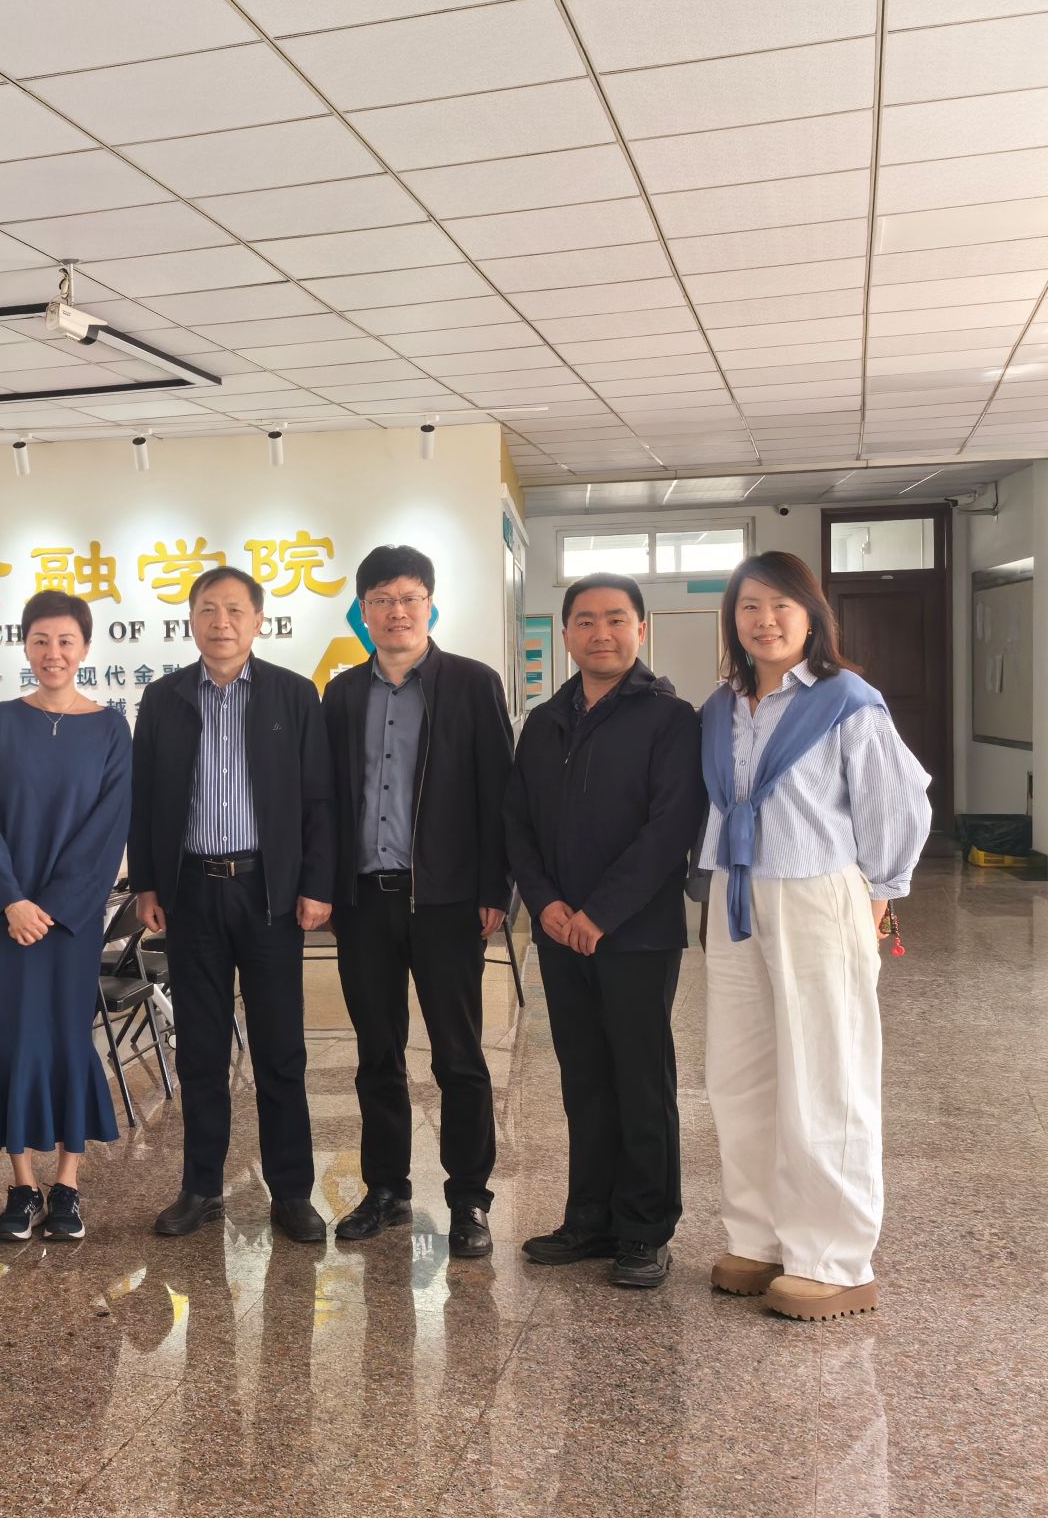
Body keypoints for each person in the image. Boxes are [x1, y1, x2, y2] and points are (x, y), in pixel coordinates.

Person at [698, 551, 929, 1321]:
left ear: (811, 616)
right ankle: (760, 1237)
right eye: (749, 607)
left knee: (826, 1071)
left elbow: (898, 803)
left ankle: (834, 1258)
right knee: (741, 1072)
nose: (764, 621)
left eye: (781, 606)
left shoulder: (846, 700)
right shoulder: (722, 706)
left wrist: (882, 892)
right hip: (735, 893)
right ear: (732, 620)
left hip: (815, 892)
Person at [502, 572, 704, 1290]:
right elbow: (517, 824)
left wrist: (600, 914)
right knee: (584, 1077)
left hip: (636, 935)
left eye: (616, 619)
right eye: (585, 621)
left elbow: (670, 829)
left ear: (640, 629)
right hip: (560, 934)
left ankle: (645, 1229)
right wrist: (547, 904)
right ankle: (589, 1216)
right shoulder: (544, 722)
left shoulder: (671, 719)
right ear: (566, 634)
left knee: (641, 1080)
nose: (601, 633)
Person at [130, 566, 334, 1245]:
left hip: (268, 892)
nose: (221, 623)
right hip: (191, 892)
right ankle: (201, 1188)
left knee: (280, 1049)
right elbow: (145, 799)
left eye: (235, 610)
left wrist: (316, 884)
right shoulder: (163, 698)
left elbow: (318, 799)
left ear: (257, 621)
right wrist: (147, 884)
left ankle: (292, 1192)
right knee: (200, 1049)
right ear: (190, 619)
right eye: (208, 610)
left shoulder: (292, 694)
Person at [324, 544, 512, 1258]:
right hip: (365, 900)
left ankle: (469, 1199)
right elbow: (327, 800)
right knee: (377, 1055)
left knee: (459, 1056)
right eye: (381, 601)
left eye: (408, 598)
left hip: (447, 902)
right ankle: (386, 1189)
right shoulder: (343, 693)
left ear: (430, 605)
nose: (395, 612)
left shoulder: (470, 683)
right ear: (363, 612)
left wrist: (494, 888)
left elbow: (499, 793)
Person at [0, 590, 132, 1242]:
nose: (52, 652)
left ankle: (67, 1185)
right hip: (5, 919)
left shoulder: (111, 729)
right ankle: (22, 1185)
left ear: (84, 647)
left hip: (70, 922)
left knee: (66, 1037)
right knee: (9, 1038)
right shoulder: (0, 722)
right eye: (40, 640)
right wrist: (11, 900)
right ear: (26, 646)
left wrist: (54, 907)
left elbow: (108, 828)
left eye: (65, 641)